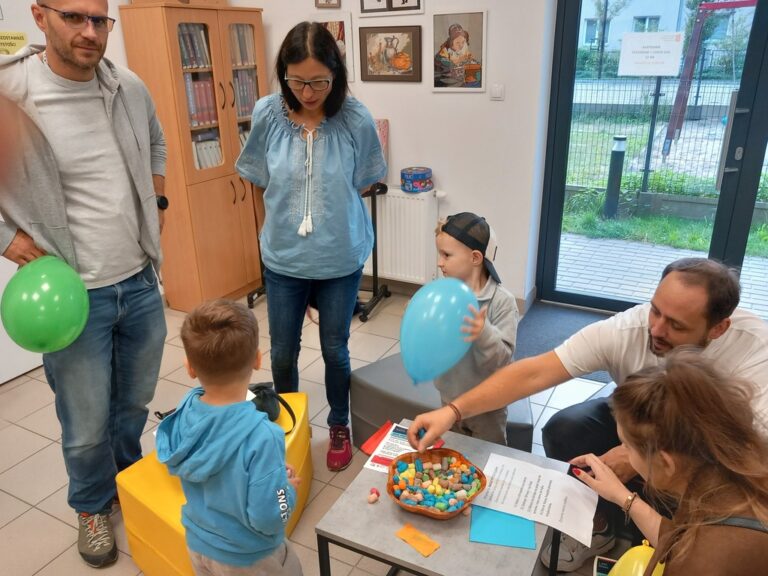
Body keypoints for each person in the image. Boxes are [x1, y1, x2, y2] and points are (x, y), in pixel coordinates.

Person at [408, 257, 768, 572]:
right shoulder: (630, 329)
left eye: (676, 325)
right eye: (655, 310)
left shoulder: (756, 360)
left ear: (719, 328)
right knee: (566, 429)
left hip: (721, 456)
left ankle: (655, 527)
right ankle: (600, 528)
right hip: (649, 422)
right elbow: (536, 371)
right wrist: (453, 410)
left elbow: (753, 459)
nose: (656, 330)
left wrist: (633, 454)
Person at [0, 0, 168, 567]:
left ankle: (126, 479)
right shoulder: (11, 91)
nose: (90, 32)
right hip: (71, 297)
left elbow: (158, 143)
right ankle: (92, 505)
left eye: (100, 20)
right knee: (85, 419)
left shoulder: (127, 87)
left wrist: (158, 200)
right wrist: (4, 238)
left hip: (141, 281)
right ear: (40, 15)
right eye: (75, 17)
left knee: (134, 403)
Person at [236, 21, 387, 472]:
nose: (308, 91)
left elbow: (364, 181)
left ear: (336, 74)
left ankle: (338, 424)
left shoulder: (356, 118)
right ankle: (290, 424)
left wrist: (326, 218)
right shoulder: (266, 113)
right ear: (283, 73)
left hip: (339, 256)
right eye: (297, 80)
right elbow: (259, 179)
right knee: (282, 351)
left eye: (319, 81)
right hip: (283, 258)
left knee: (336, 348)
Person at [572, 349, 768, 575]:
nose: (622, 452)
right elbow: (678, 539)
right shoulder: (737, 472)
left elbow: (691, 551)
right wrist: (620, 495)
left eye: (626, 446)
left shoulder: (701, 563)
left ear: (665, 462)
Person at [156, 299, 303, 576]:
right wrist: (287, 491)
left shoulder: (185, 412)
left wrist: (270, 477)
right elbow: (271, 516)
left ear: (190, 368)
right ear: (258, 360)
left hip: (200, 545)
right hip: (249, 556)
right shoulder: (263, 436)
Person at [433, 212, 519, 444]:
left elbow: (503, 360)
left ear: (475, 257)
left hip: (487, 407)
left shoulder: (502, 302)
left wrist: (483, 333)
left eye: (447, 255)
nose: (440, 262)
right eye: (439, 254)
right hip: (450, 399)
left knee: (488, 460)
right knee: (454, 461)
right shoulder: (443, 294)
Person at [434, 23, 480, 88]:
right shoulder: (442, 56)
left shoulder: (463, 51)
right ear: (451, 43)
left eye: (463, 42)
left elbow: (473, 62)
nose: (461, 45)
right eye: (457, 42)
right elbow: (448, 72)